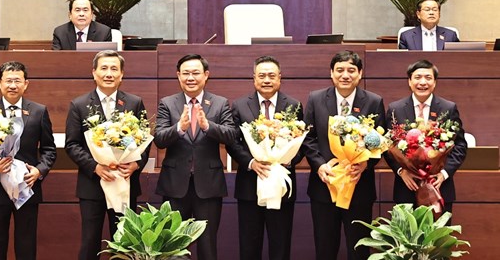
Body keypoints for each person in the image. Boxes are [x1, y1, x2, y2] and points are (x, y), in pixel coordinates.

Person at [65, 50, 150, 259]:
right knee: (90, 242)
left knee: (125, 242)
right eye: (103, 68)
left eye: (114, 69)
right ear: (94, 73)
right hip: (92, 185)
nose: (109, 73)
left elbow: (145, 141)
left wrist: (135, 164)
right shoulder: (79, 104)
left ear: (122, 75)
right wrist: (96, 167)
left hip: (124, 183)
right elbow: (72, 144)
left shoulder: (134, 102)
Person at [303, 50, 386, 260]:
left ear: (360, 74)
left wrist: (366, 165)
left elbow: (381, 141)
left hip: (358, 187)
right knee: (325, 247)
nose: (345, 75)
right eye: (339, 70)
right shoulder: (316, 98)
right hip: (325, 185)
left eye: (351, 70)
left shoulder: (374, 101)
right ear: (331, 73)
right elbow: (308, 138)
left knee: (358, 248)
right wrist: (319, 165)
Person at [154, 54, 237, 260]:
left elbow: (231, 135)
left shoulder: (219, 103)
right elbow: (159, 139)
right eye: (186, 73)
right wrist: (179, 129)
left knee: (208, 245)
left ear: (206, 75)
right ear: (178, 76)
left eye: (195, 73)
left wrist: (208, 126)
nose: (190, 77)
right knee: (173, 245)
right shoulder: (167, 103)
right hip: (175, 186)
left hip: (208, 186)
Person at [0, 61, 56, 260]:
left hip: (27, 187)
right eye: (8, 81)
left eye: (17, 81)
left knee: (26, 246)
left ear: (26, 84)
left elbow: (49, 149)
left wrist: (39, 170)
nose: (12, 85)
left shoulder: (38, 111)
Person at [225, 55, 306, 260]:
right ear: (254, 79)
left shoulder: (294, 106)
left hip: (282, 187)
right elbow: (233, 143)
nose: (267, 80)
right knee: (249, 245)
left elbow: (303, 142)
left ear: (280, 78)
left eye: (271, 75)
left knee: (280, 244)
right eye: (262, 76)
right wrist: (251, 163)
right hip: (249, 186)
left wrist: (289, 161)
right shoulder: (240, 105)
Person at [385, 59, 467, 212]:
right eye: (417, 77)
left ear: (435, 82)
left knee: (438, 235)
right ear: (409, 81)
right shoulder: (395, 109)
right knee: (407, 235)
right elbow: (387, 146)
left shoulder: (448, 108)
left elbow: (460, 145)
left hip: (439, 186)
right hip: (407, 187)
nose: (423, 82)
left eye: (428, 78)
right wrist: (401, 171)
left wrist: (444, 173)